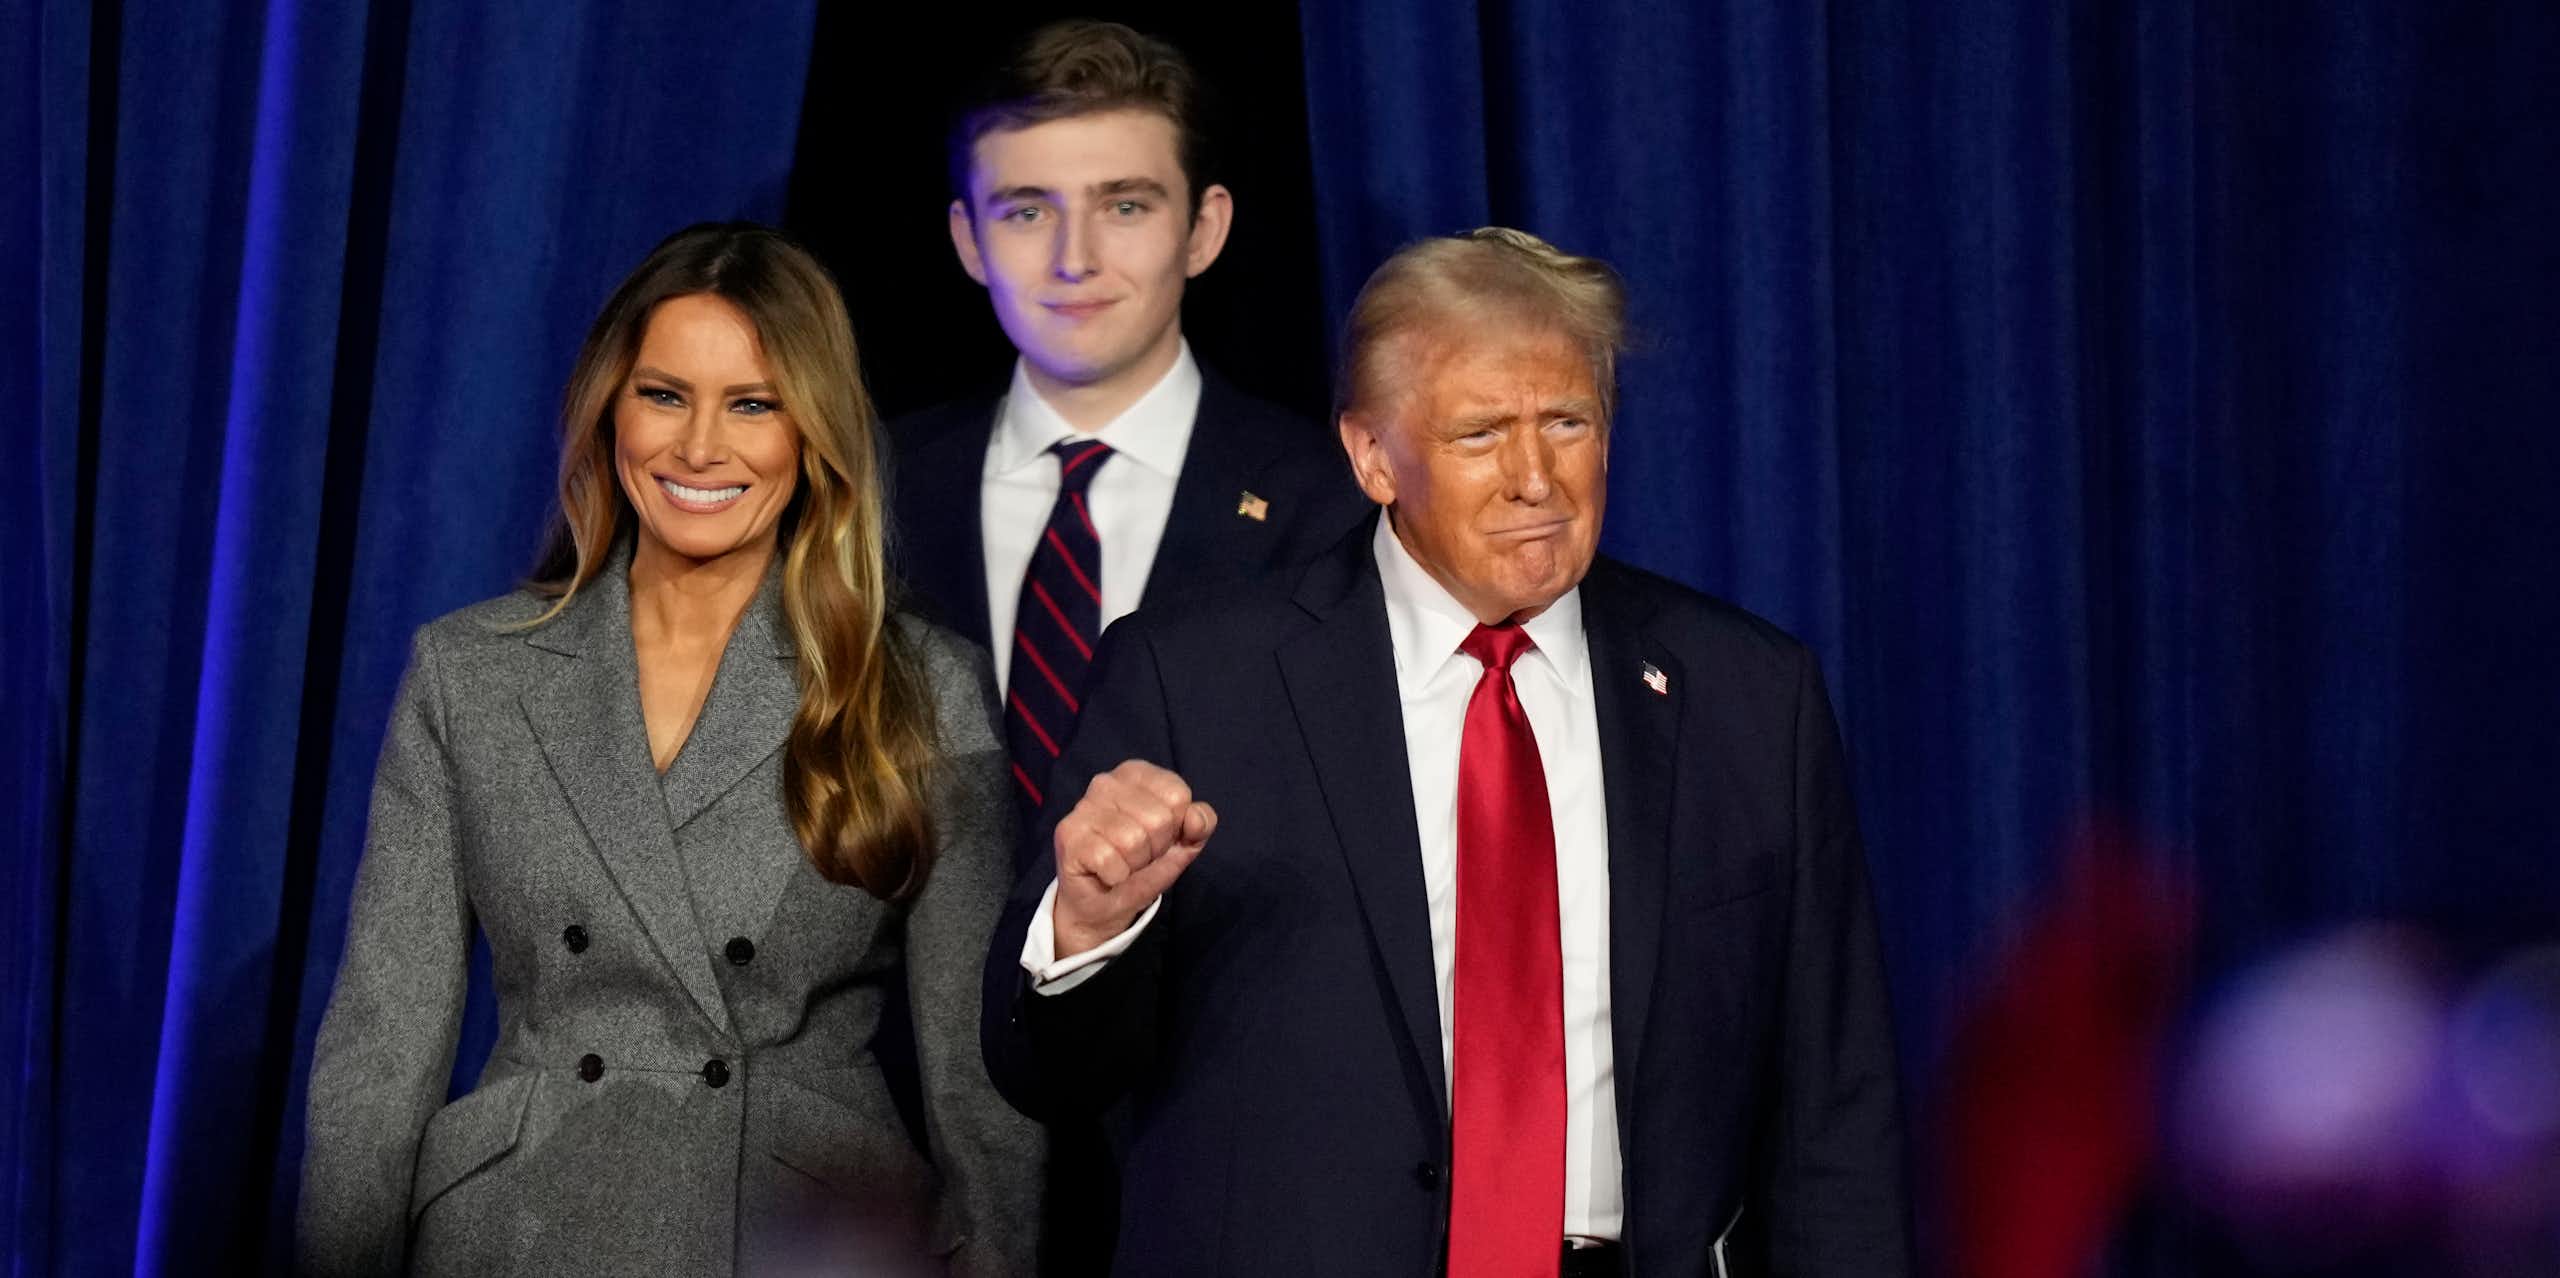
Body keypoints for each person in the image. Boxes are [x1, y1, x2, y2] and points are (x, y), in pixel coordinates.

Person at [981, 228, 1913, 1277]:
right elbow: (1042, 1074)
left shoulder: (1748, 694)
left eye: (1568, 421)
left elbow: (1835, 1107)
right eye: (1480, 434)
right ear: (1373, 457)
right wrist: (1092, 926)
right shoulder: (1194, 680)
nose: (1535, 480)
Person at [299, 223, 1039, 1277]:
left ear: (812, 431)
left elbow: (979, 1080)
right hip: (516, 1228)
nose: (699, 447)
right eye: (663, 394)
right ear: (608, 409)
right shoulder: (469, 674)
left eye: (753, 403)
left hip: (796, 1237)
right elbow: (382, 1046)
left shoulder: (920, 688)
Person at [889, 18, 1369, 842]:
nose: (1076, 258)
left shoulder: (1328, 499)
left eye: (1124, 205)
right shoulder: (872, 483)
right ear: (970, 240)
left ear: (1204, 230)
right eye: (1029, 212)